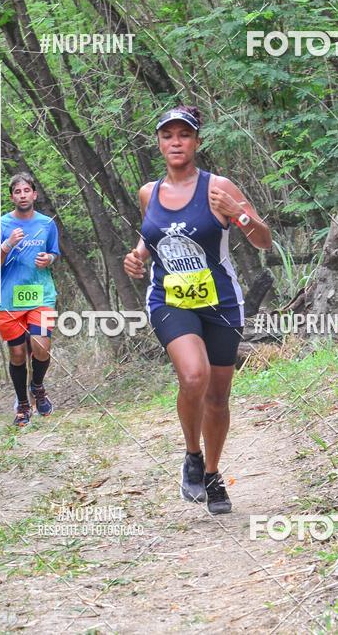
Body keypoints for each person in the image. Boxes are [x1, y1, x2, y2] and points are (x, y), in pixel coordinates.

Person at [123, 106, 272, 514]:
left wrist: (236, 211)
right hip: (170, 300)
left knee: (219, 398)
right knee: (194, 376)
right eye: (167, 135)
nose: (175, 142)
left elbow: (264, 240)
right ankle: (191, 456)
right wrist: (136, 256)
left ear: (196, 143)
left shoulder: (217, 186)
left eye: (183, 135)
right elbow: (152, 236)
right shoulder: (148, 193)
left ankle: (211, 474)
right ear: (159, 143)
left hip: (221, 301)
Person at [0, 173, 60, 427]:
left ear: (34, 194)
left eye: (26, 190)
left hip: (41, 295)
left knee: (41, 346)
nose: (22, 195)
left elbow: (53, 253)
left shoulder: (47, 223)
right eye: (17, 192)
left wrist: (48, 260)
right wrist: (7, 245)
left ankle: (37, 386)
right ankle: (23, 404)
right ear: (12, 197)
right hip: (9, 300)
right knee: (17, 354)